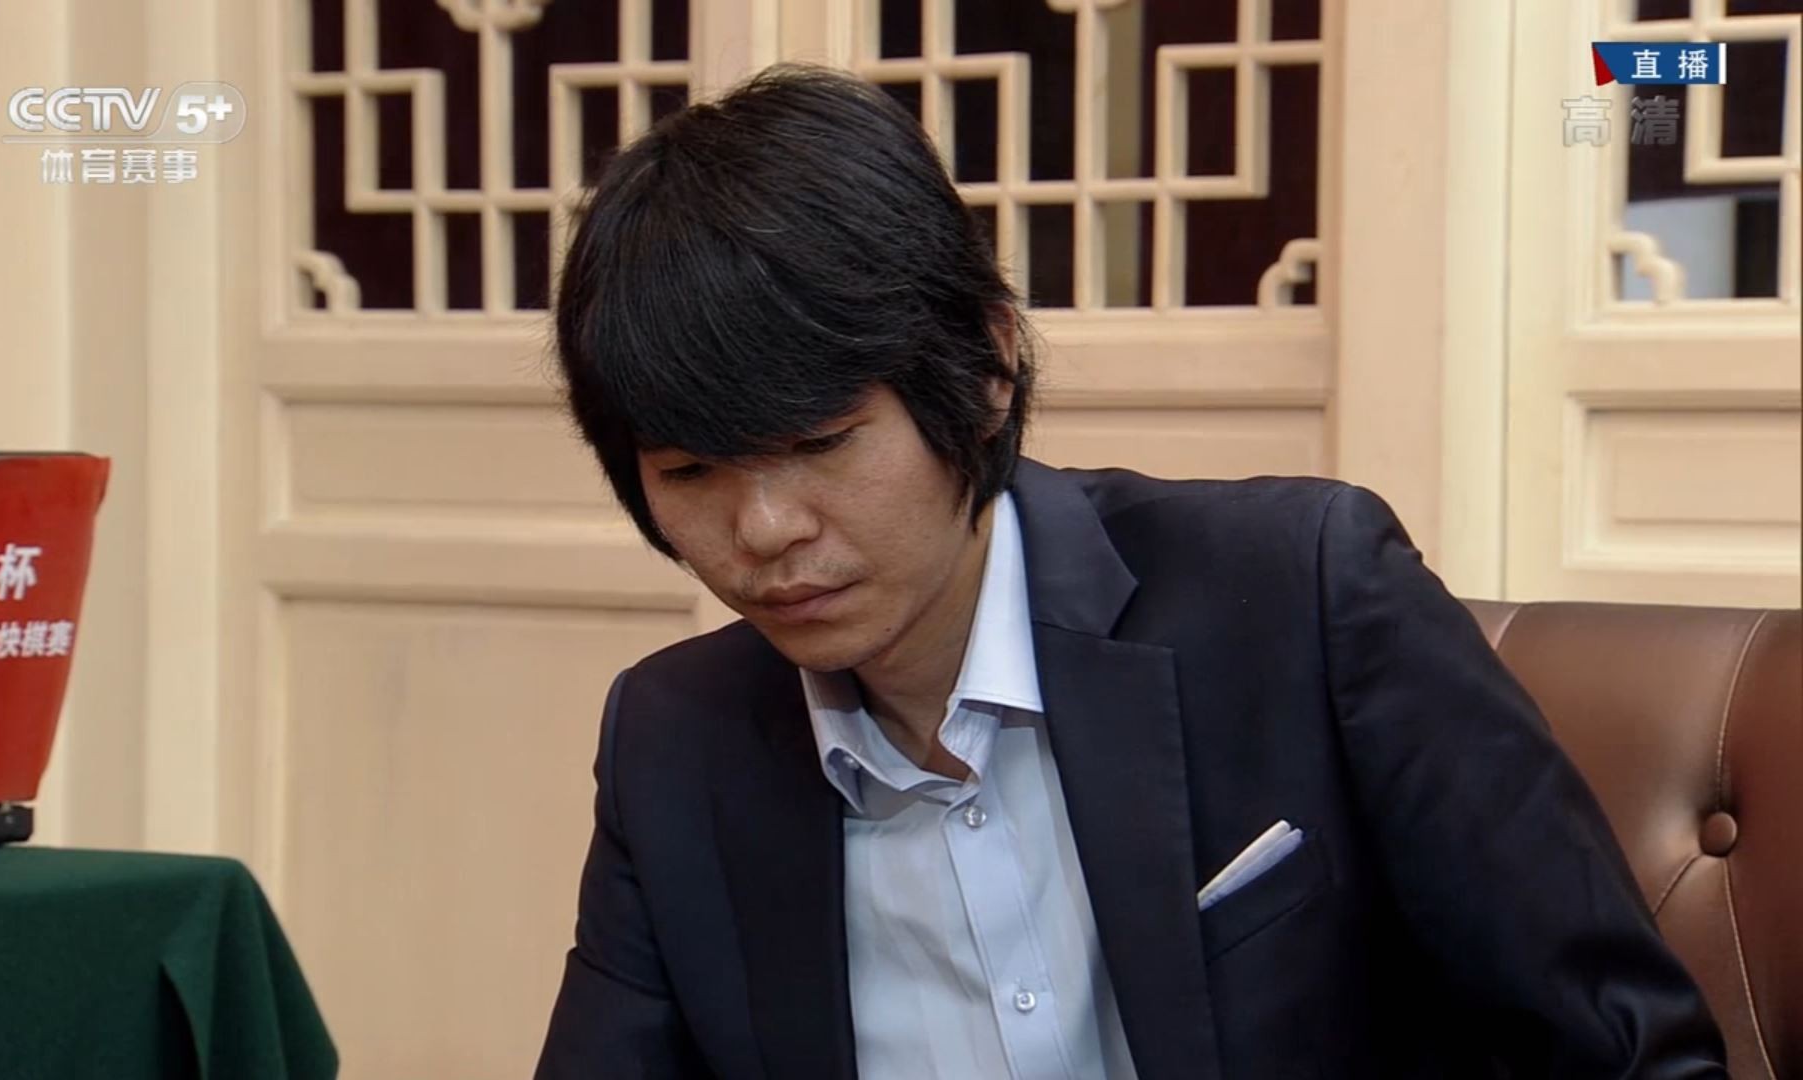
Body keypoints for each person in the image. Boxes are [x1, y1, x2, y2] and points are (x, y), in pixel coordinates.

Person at [535, 63, 1727, 1080]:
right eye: (691, 471)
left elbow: (1629, 1053)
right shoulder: (674, 741)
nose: (764, 530)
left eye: (820, 444)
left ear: (988, 369)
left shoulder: (1302, 599)